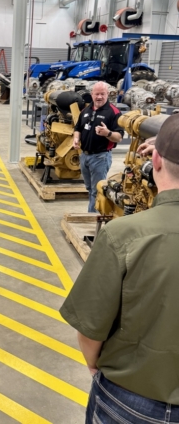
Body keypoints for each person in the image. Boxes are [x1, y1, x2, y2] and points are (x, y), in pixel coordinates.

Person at [60, 113, 179, 423]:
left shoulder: (122, 235)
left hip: (132, 398)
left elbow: (89, 331)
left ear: (155, 161)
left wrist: (94, 366)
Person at [73, 81, 123, 212]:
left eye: (102, 94)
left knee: (97, 190)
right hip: (85, 156)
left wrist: (108, 133)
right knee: (90, 188)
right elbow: (77, 128)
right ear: (92, 94)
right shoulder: (86, 110)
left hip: (100, 157)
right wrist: (76, 139)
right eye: (97, 94)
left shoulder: (114, 112)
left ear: (107, 94)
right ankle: (93, 213)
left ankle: (92, 218)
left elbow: (119, 137)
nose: (99, 97)